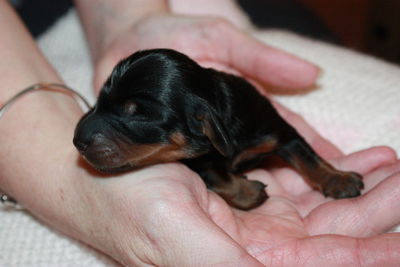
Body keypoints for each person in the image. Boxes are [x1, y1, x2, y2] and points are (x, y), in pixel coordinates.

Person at [1, 0, 400, 265]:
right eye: (105, 102)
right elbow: (205, 166)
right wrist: (231, 187)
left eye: (134, 115)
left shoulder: (247, 121)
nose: (87, 131)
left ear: (205, 126)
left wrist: (324, 175)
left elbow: (290, 141)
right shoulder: (197, 136)